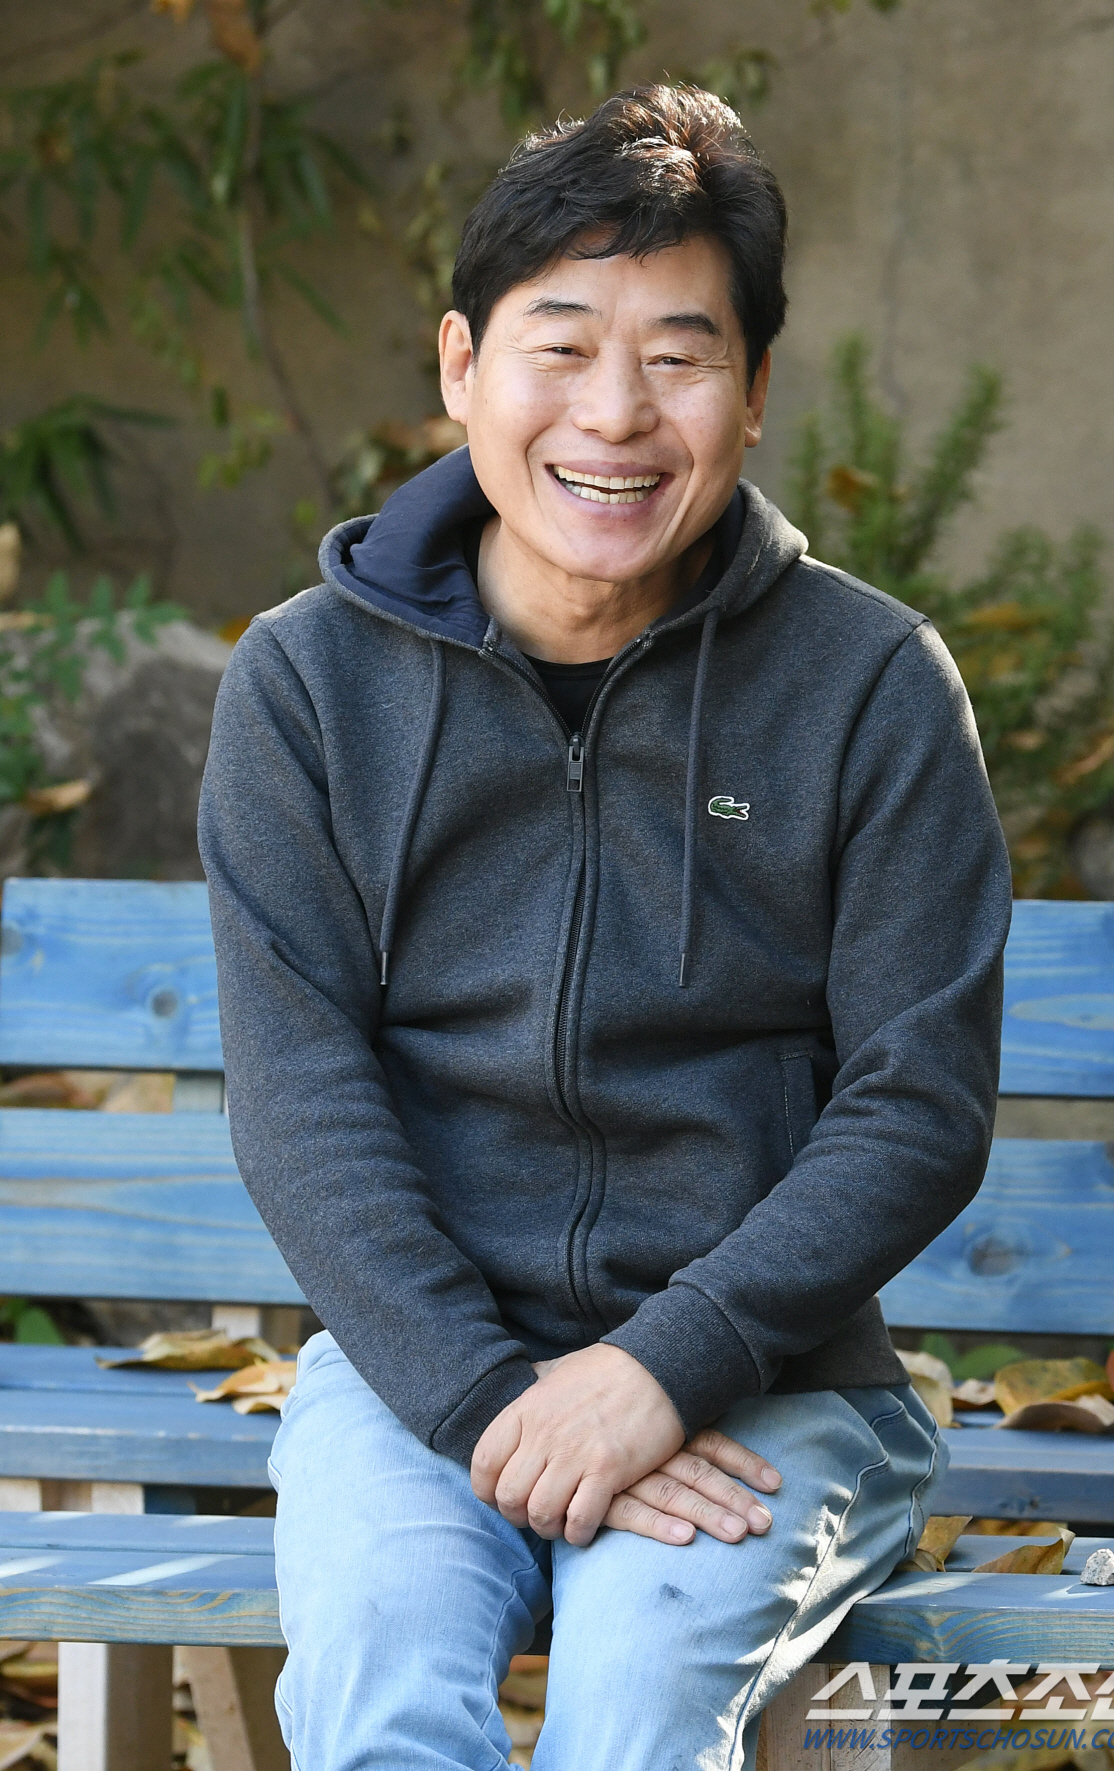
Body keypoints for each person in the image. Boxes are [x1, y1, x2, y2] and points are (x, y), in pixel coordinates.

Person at [198, 83, 1011, 1771]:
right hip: (419, 1371)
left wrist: (664, 1368)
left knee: (635, 1710)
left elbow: (917, 1103)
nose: (616, 414)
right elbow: (299, 1095)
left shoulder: (869, 686)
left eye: (679, 355)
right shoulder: (306, 686)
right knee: (383, 1703)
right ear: (460, 367)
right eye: (560, 347)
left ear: (756, 392)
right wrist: (491, 1400)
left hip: (773, 1381)